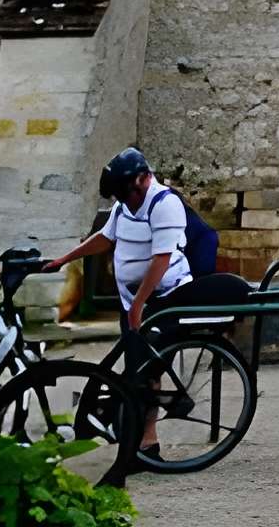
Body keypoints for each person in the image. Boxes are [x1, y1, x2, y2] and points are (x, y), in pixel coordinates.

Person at [44, 148, 199, 479]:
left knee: (147, 373)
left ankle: (146, 442)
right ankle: (138, 439)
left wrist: (141, 304)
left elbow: (161, 258)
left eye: (128, 193)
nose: (126, 200)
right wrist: (64, 259)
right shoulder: (123, 204)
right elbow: (105, 238)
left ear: (144, 178)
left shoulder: (164, 204)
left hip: (163, 297)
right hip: (133, 300)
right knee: (134, 370)